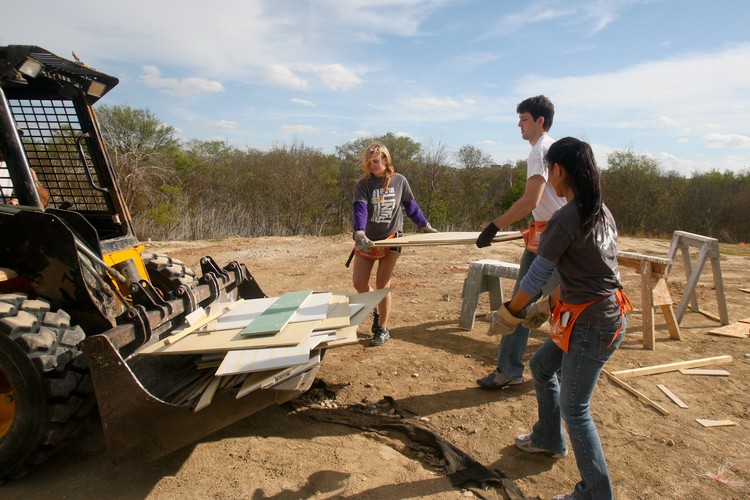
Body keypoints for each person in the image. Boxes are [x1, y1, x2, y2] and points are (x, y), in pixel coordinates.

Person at [488, 137, 632, 500]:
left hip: (592, 323)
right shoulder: (601, 211)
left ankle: (595, 493)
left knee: (576, 408)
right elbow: (587, 271)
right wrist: (547, 304)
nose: (549, 176)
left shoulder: (566, 217)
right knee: (541, 365)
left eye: (550, 169)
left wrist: (513, 310)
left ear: (559, 170)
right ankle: (549, 438)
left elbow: (536, 275)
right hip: (599, 312)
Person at [475, 95, 566, 389]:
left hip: (558, 241)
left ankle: (566, 377)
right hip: (542, 236)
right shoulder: (545, 149)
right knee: (517, 305)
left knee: (562, 309)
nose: (519, 125)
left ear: (540, 121)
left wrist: (494, 225)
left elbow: (532, 199)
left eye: (524, 119)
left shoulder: (541, 150)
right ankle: (509, 369)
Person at [352, 142, 437, 346]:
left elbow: (410, 206)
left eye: (375, 161)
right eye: (368, 162)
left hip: (392, 238)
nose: (372, 165)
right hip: (369, 240)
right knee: (359, 282)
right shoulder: (363, 185)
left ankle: (383, 328)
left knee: (383, 283)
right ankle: (376, 311)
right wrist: (360, 233)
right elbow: (360, 209)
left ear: (385, 159)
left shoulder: (399, 181)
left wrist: (424, 225)